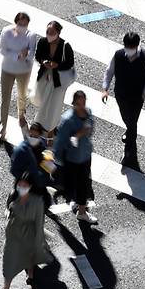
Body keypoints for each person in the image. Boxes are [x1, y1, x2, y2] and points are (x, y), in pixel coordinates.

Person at [1, 172, 52, 289]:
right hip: (14, 235)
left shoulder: (37, 201)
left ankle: (31, 274)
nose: (21, 187)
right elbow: (8, 210)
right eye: (20, 185)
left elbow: (39, 222)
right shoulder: (13, 195)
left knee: (30, 257)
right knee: (10, 264)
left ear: (30, 186)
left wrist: (39, 240)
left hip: (29, 234)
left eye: (25, 185)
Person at [102, 32, 145, 167]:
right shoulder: (118, 55)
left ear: (137, 45)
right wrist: (105, 88)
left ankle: (129, 150)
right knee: (126, 117)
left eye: (131, 46)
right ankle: (130, 132)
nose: (128, 49)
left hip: (137, 97)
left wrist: (144, 93)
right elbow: (109, 71)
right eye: (127, 46)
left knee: (132, 121)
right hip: (121, 94)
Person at [54, 91, 97, 224]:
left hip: (85, 155)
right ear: (73, 103)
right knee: (82, 184)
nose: (81, 106)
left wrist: (86, 133)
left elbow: (91, 130)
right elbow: (60, 142)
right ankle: (82, 212)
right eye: (78, 103)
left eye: (83, 102)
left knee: (81, 184)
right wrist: (76, 136)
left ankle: (78, 203)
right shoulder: (67, 120)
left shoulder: (88, 113)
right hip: (73, 159)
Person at [0, 12, 37, 143]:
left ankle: (21, 115)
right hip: (7, 69)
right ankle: (2, 127)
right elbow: (2, 50)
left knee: (22, 94)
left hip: (24, 71)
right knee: (5, 98)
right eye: (20, 24)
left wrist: (26, 54)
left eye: (25, 24)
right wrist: (19, 55)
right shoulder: (6, 32)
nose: (22, 27)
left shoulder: (31, 35)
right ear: (16, 23)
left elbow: (31, 54)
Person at [33, 21, 75, 136]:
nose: (49, 34)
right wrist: (43, 62)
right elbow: (37, 56)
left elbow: (70, 63)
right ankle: (42, 123)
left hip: (58, 80)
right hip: (45, 76)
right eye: (47, 32)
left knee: (55, 104)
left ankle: (51, 127)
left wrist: (57, 65)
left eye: (52, 32)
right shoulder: (42, 41)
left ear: (58, 33)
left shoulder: (65, 46)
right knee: (41, 99)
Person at [11, 122, 49, 192]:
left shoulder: (42, 145)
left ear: (40, 136)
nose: (33, 139)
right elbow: (14, 169)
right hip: (24, 182)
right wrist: (23, 178)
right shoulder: (22, 149)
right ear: (29, 133)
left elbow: (44, 160)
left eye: (36, 137)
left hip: (37, 181)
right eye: (32, 136)